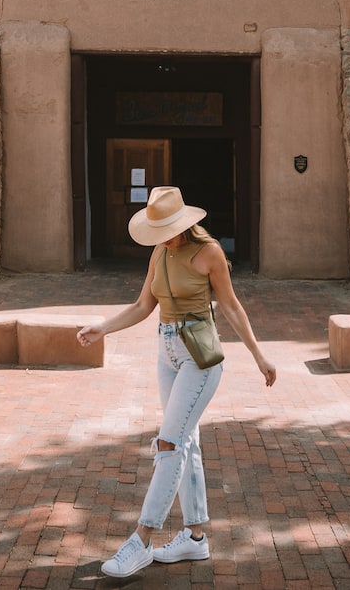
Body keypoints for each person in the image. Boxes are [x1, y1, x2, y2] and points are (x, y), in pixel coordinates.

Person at [77, 185, 276, 578]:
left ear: (183, 222)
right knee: (187, 443)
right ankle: (195, 538)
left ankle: (142, 539)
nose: (163, 236)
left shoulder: (209, 253)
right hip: (166, 352)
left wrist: (258, 355)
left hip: (199, 358)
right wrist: (103, 327)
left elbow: (232, 307)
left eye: (167, 227)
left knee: (169, 443)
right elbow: (142, 306)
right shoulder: (159, 253)